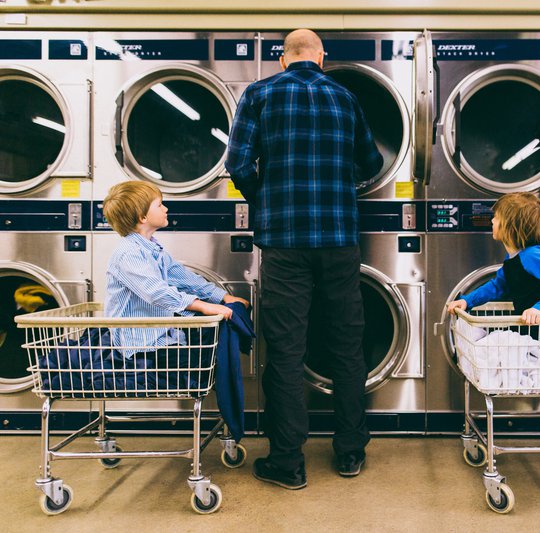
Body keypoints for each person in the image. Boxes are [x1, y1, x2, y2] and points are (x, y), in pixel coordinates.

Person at [225, 28, 383, 490]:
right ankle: (350, 452)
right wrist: (341, 177)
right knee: (346, 346)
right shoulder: (344, 96)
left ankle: (288, 462)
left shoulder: (259, 94)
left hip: (285, 242)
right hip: (338, 241)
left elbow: (237, 164)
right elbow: (372, 163)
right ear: (321, 56)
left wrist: (266, 196)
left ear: (282, 59)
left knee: (287, 350)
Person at [103, 181, 249, 357]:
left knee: (200, 361)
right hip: (138, 346)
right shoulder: (128, 254)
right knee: (196, 365)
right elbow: (157, 292)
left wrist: (224, 297)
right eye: (159, 205)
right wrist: (203, 307)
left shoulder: (154, 249)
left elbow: (186, 279)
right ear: (143, 217)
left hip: (162, 339)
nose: (165, 209)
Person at [447, 192, 540, 335]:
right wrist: (467, 301)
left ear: (511, 226)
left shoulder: (533, 255)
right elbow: (498, 286)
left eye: (497, 218)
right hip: (529, 328)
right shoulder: (513, 258)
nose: (492, 221)